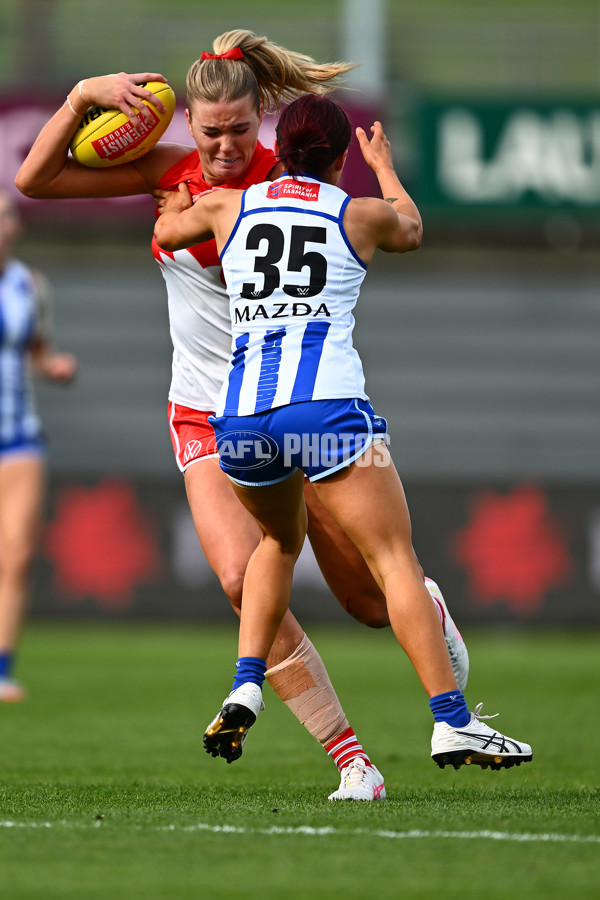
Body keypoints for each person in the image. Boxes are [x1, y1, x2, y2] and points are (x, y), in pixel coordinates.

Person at [16, 30, 467, 798]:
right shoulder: (170, 169)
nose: (224, 148)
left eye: (237, 130)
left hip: (290, 401)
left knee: (362, 600)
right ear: (187, 122)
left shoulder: (282, 181)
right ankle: (353, 762)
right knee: (238, 575)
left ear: (262, 118)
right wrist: (83, 96)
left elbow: (367, 236)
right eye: (210, 131)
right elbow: (36, 178)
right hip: (203, 409)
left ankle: (424, 608)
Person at [154, 92, 533, 777]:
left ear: (276, 145)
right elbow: (412, 229)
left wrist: (182, 177)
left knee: (275, 542)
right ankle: (453, 722)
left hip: (239, 418)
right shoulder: (355, 211)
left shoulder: (226, 206)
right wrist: (384, 168)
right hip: (329, 409)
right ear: (336, 159)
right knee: (393, 563)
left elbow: (171, 230)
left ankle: (246, 679)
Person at [0, 189, 77, 702]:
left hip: (19, 435)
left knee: (18, 554)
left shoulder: (29, 284)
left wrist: (53, 366)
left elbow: (36, 350)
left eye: (6, 213)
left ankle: (3, 668)